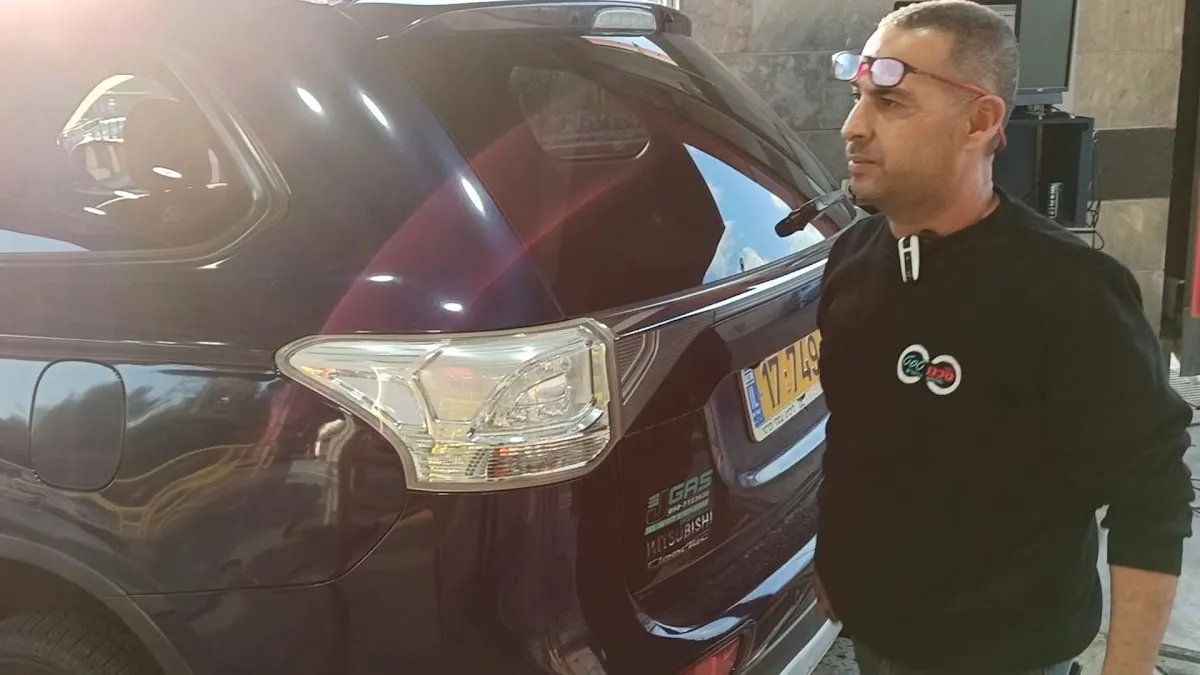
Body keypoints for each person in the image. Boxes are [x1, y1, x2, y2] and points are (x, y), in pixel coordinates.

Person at [813, 2, 1195, 674]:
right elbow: (857, 439)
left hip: (1006, 652)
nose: (854, 127)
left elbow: (1151, 493)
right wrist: (835, 563)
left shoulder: (1069, 288)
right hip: (874, 634)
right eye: (857, 98)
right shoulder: (852, 257)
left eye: (890, 102)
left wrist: (1128, 666)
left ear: (980, 121)